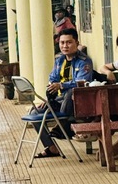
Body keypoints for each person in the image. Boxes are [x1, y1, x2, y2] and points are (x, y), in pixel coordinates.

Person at [33, 28, 93, 158]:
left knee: (70, 92)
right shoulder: (59, 61)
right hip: (60, 100)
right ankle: (52, 148)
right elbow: (52, 79)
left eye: (69, 42)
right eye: (62, 43)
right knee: (34, 113)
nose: (65, 46)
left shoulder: (84, 61)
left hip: (77, 101)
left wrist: (62, 85)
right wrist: (48, 98)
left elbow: (82, 82)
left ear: (77, 43)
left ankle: (63, 127)